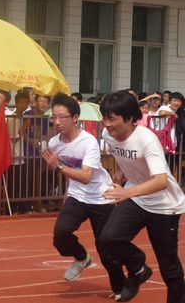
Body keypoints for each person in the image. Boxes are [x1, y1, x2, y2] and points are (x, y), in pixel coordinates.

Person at [99, 91, 185, 303]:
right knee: (108, 239)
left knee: (168, 267)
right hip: (138, 197)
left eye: (112, 118)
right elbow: (123, 159)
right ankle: (138, 268)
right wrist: (119, 179)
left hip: (164, 205)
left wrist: (125, 192)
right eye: (104, 117)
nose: (106, 124)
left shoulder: (147, 139)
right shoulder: (107, 135)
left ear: (129, 117)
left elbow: (160, 181)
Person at [41, 93, 125, 298]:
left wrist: (58, 166)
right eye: (54, 117)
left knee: (105, 246)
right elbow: (68, 172)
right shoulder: (54, 143)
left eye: (62, 117)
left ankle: (120, 288)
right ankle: (81, 257)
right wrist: (66, 191)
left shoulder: (89, 142)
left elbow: (86, 176)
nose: (57, 122)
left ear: (75, 118)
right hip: (77, 196)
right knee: (60, 235)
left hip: (99, 196)